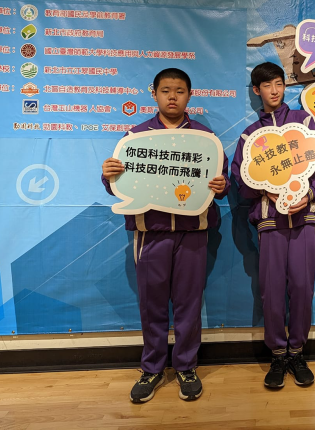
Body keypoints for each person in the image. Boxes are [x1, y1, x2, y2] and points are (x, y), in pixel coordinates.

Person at [102, 67, 230, 404]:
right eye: (165, 90)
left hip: (193, 232)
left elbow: (222, 180)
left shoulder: (205, 138)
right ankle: (152, 368)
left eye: (179, 91)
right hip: (151, 233)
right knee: (152, 303)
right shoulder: (136, 138)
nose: (172, 97)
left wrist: (222, 185)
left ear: (190, 95)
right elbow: (120, 185)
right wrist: (109, 174)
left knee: (189, 303)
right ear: (154, 94)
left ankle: (186, 366)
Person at [231, 62, 315, 389]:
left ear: (285, 86)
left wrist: (309, 195)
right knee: (271, 290)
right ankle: (277, 354)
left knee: (301, 287)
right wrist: (264, 189)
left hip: (303, 220)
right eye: (267, 85)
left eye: (279, 83)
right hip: (269, 221)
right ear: (256, 90)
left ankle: (297, 352)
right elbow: (239, 178)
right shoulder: (250, 135)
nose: (274, 90)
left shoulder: (304, 122)